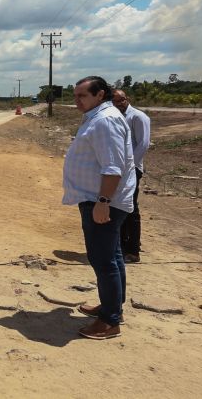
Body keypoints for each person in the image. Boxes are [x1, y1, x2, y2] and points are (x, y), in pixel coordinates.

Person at [63, 76, 135, 340]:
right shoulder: (98, 116)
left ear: (100, 94)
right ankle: (112, 307)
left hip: (103, 200)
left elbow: (113, 167)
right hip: (98, 198)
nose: (77, 100)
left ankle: (109, 322)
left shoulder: (105, 121)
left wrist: (103, 203)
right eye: (75, 95)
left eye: (82, 95)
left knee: (103, 260)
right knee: (112, 257)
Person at [112, 89, 151, 263]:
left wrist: (129, 167)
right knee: (119, 206)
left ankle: (133, 250)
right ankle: (121, 245)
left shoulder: (138, 117)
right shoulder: (115, 116)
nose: (119, 103)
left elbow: (143, 144)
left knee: (131, 208)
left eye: (121, 100)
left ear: (127, 99)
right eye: (115, 101)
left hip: (132, 169)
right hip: (118, 169)